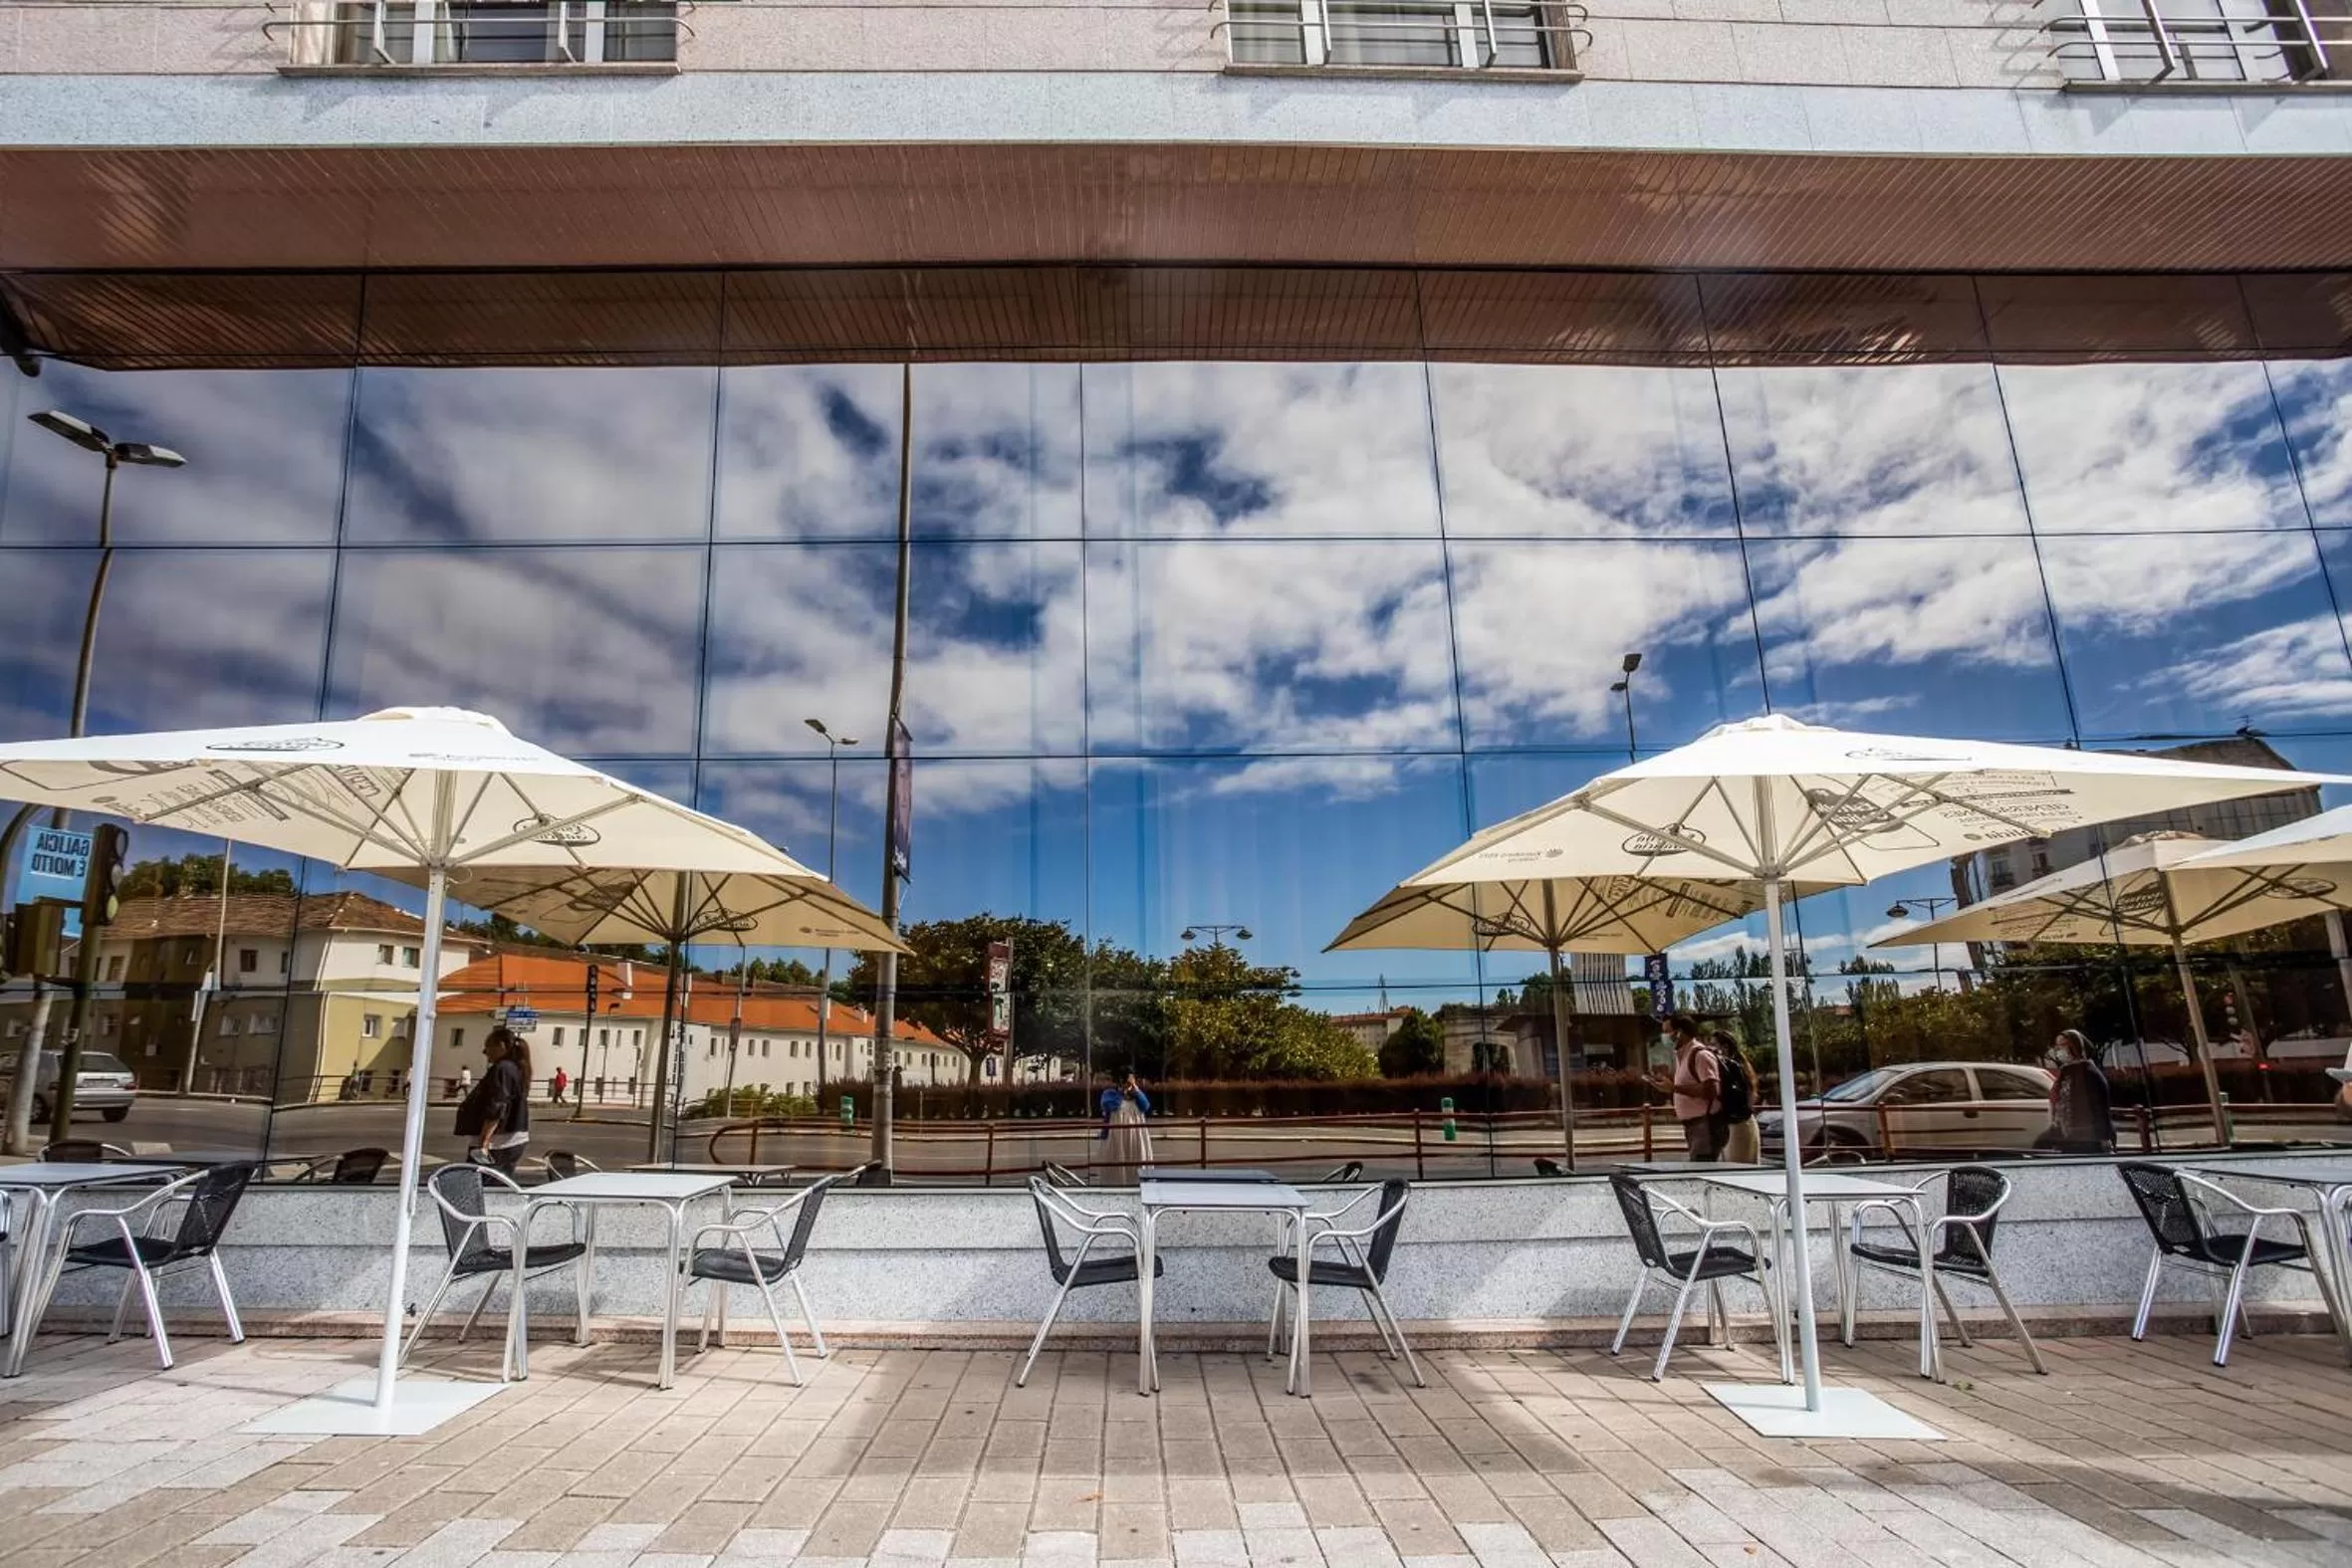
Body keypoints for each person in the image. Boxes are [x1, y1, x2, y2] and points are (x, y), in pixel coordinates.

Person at [455, 1025, 533, 1176]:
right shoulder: (516, 1068)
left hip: (498, 1142)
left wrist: (484, 1143)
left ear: (501, 1046)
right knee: (496, 1184)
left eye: (488, 1047)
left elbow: (497, 1106)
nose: (485, 1052)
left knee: (482, 1186)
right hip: (509, 1139)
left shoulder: (502, 1068)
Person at [1646, 1013, 1722, 1161]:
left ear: (1679, 1032)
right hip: (1695, 1125)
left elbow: (1711, 1090)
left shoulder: (1700, 1055)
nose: (1664, 1036)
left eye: (1667, 1031)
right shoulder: (1683, 1056)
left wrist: (1674, 1089)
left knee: (1703, 1170)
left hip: (1705, 1124)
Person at [2039, 1028, 2115, 1154]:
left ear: (2075, 1047)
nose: (2059, 1051)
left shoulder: (2088, 1073)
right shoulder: (2067, 1072)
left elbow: (2099, 1109)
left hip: (2087, 1141)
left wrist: (2103, 1138)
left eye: (2063, 1045)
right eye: (2057, 1047)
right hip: (2068, 1139)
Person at [1709, 1028, 1760, 1164]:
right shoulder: (1737, 1067)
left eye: (1714, 1045)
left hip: (1739, 1124)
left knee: (1739, 1168)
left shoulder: (1733, 1069)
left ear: (1724, 1047)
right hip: (1739, 1123)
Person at [1097, 1072, 1152, 1186]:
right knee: (1116, 1161)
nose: (1128, 1085)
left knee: (1136, 1161)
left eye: (1131, 1082)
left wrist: (1136, 1091)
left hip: (1136, 1137)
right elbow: (1107, 1105)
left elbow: (1146, 1106)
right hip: (1116, 1137)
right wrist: (1122, 1093)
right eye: (1126, 1082)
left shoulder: (1137, 1095)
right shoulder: (1110, 1094)